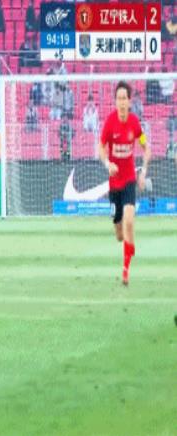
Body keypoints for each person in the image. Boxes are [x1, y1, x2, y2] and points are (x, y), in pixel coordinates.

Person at [98, 81, 151, 286]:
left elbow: (146, 148)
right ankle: (129, 245)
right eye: (118, 98)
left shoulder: (135, 123)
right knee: (120, 234)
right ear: (115, 101)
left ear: (129, 101)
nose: (121, 102)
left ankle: (125, 271)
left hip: (129, 179)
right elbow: (101, 147)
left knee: (129, 220)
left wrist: (143, 171)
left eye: (124, 98)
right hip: (114, 184)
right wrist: (107, 163)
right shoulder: (110, 122)